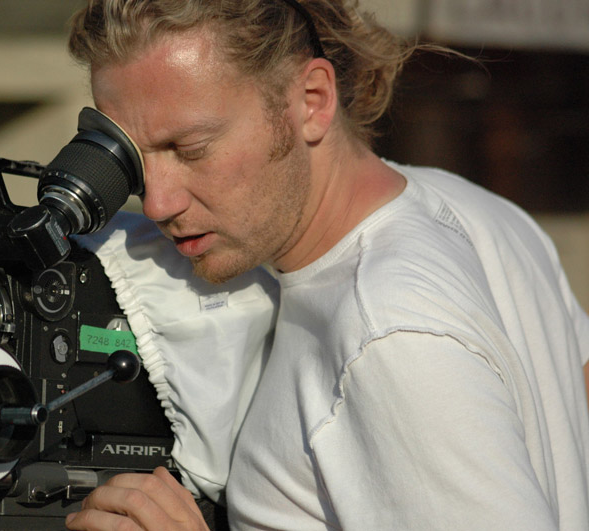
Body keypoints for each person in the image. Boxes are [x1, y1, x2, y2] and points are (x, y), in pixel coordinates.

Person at [63, 0, 589, 529]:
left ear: (312, 101)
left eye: (191, 148)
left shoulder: (388, 334)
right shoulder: (485, 213)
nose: (157, 203)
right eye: (134, 160)